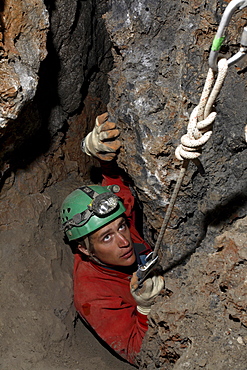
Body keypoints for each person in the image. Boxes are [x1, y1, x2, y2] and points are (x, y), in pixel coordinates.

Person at [61, 113, 164, 365]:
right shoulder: (93, 295)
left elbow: (120, 189)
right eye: (106, 237)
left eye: (121, 227)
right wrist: (145, 309)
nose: (123, 240)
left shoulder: (118, 224)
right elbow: (137, 353)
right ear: (84, 250)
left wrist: (101, 157)